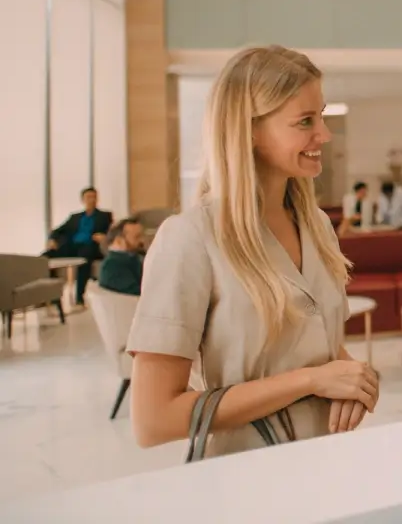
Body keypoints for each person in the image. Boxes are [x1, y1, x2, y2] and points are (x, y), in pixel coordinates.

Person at [126, 45, 379, 457]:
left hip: (331, 464)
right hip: (248, 479)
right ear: (249, 130)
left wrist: (354, 379)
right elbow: (154, 421)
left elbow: (321, 351)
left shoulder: (316, 225)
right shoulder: (189, 238)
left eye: (322, 115)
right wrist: (310, 381)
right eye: (305, 121)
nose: (324, 135)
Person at [44, 187, 113, 306]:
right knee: (46, 257)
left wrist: (104, 236)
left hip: (90, 246)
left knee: (84, 259)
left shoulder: (105, 216)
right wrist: (52, 239)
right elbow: (58, 230)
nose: (91, 200)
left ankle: (79, 297)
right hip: (72, 246)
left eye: (94, 197)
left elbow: (112, 233)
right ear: (83, 200)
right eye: (88, 197)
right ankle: (52, 297)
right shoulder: (75, 217)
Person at [97, 218, 146, 296]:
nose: (142, 240)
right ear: (119, 241)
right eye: (137, 237)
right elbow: (137, 293)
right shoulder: (113, 265)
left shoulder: (130, 257)